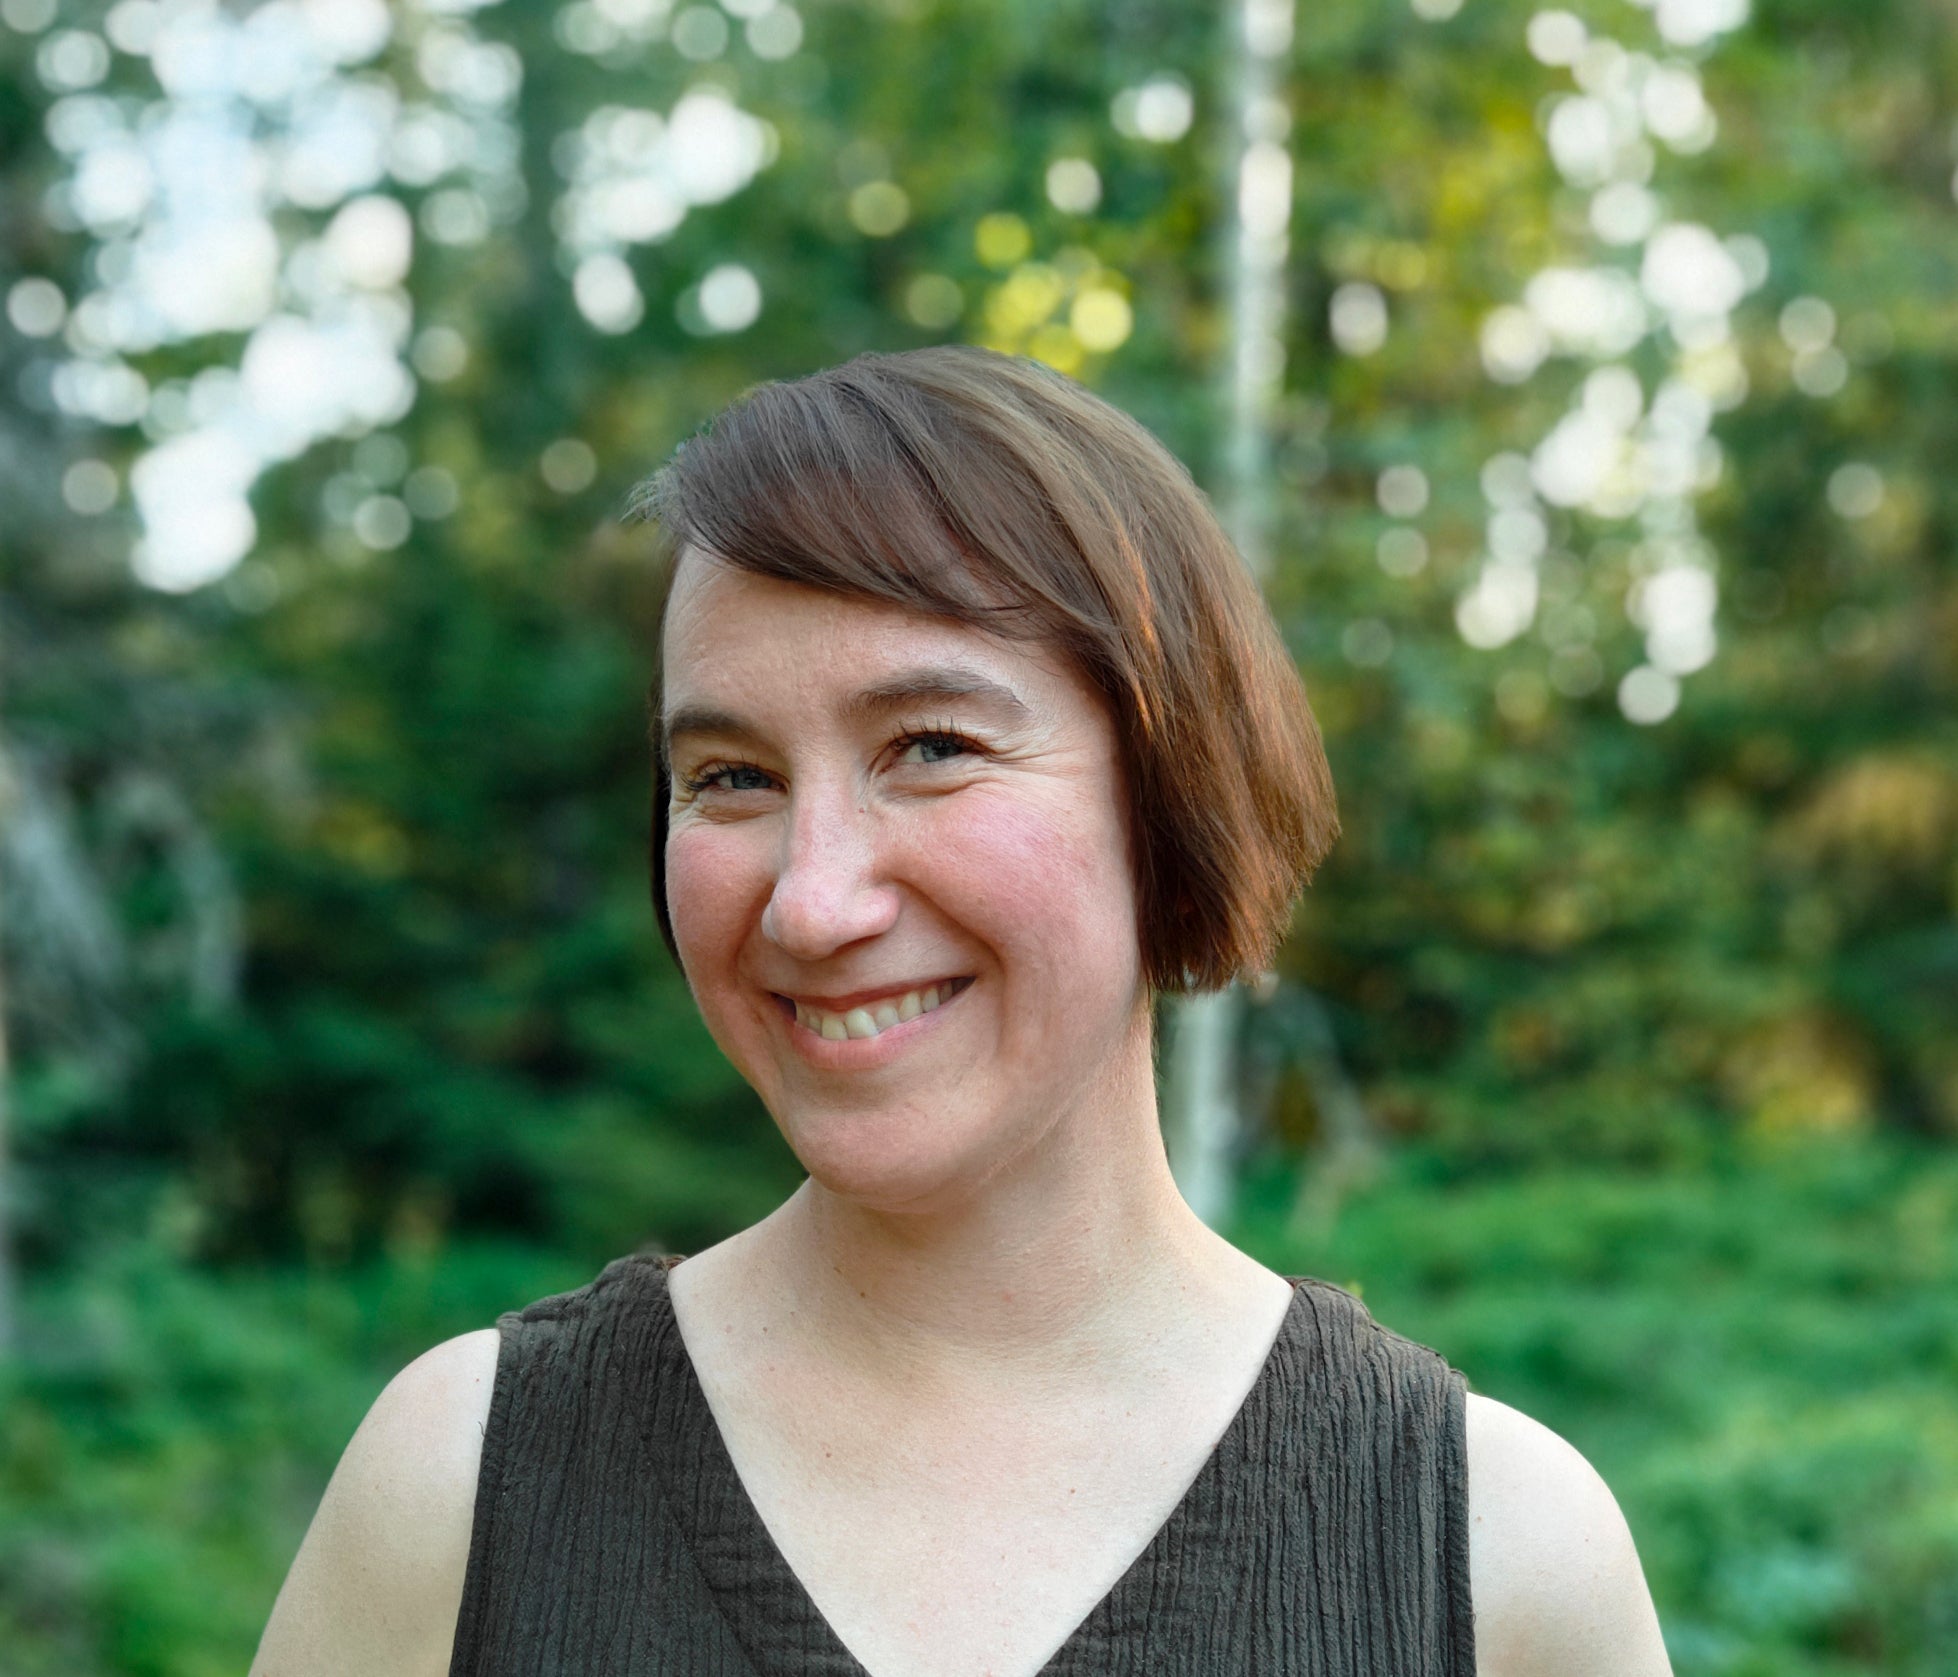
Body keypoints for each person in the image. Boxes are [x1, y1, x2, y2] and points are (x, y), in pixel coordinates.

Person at [250, 347, 1674, 1677]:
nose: (810, 904)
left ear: (1166, 792)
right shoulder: (458, 1491)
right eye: (732, 776)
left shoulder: (1495, 1562)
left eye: (930, 747)